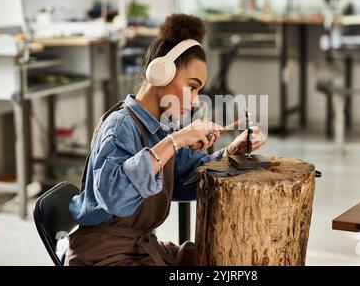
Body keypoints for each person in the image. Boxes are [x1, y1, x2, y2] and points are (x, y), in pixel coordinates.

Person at [65, 14, 266, 266]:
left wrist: (229, 154)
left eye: (199, 91)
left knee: (217, 257)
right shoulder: (120, 126)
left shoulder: (158, 130)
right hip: (102, 257)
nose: (194, 100)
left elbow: (187, 179)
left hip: (137, 249)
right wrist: (177, 140)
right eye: (191, 87)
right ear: (160, 73)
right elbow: (114, 197)